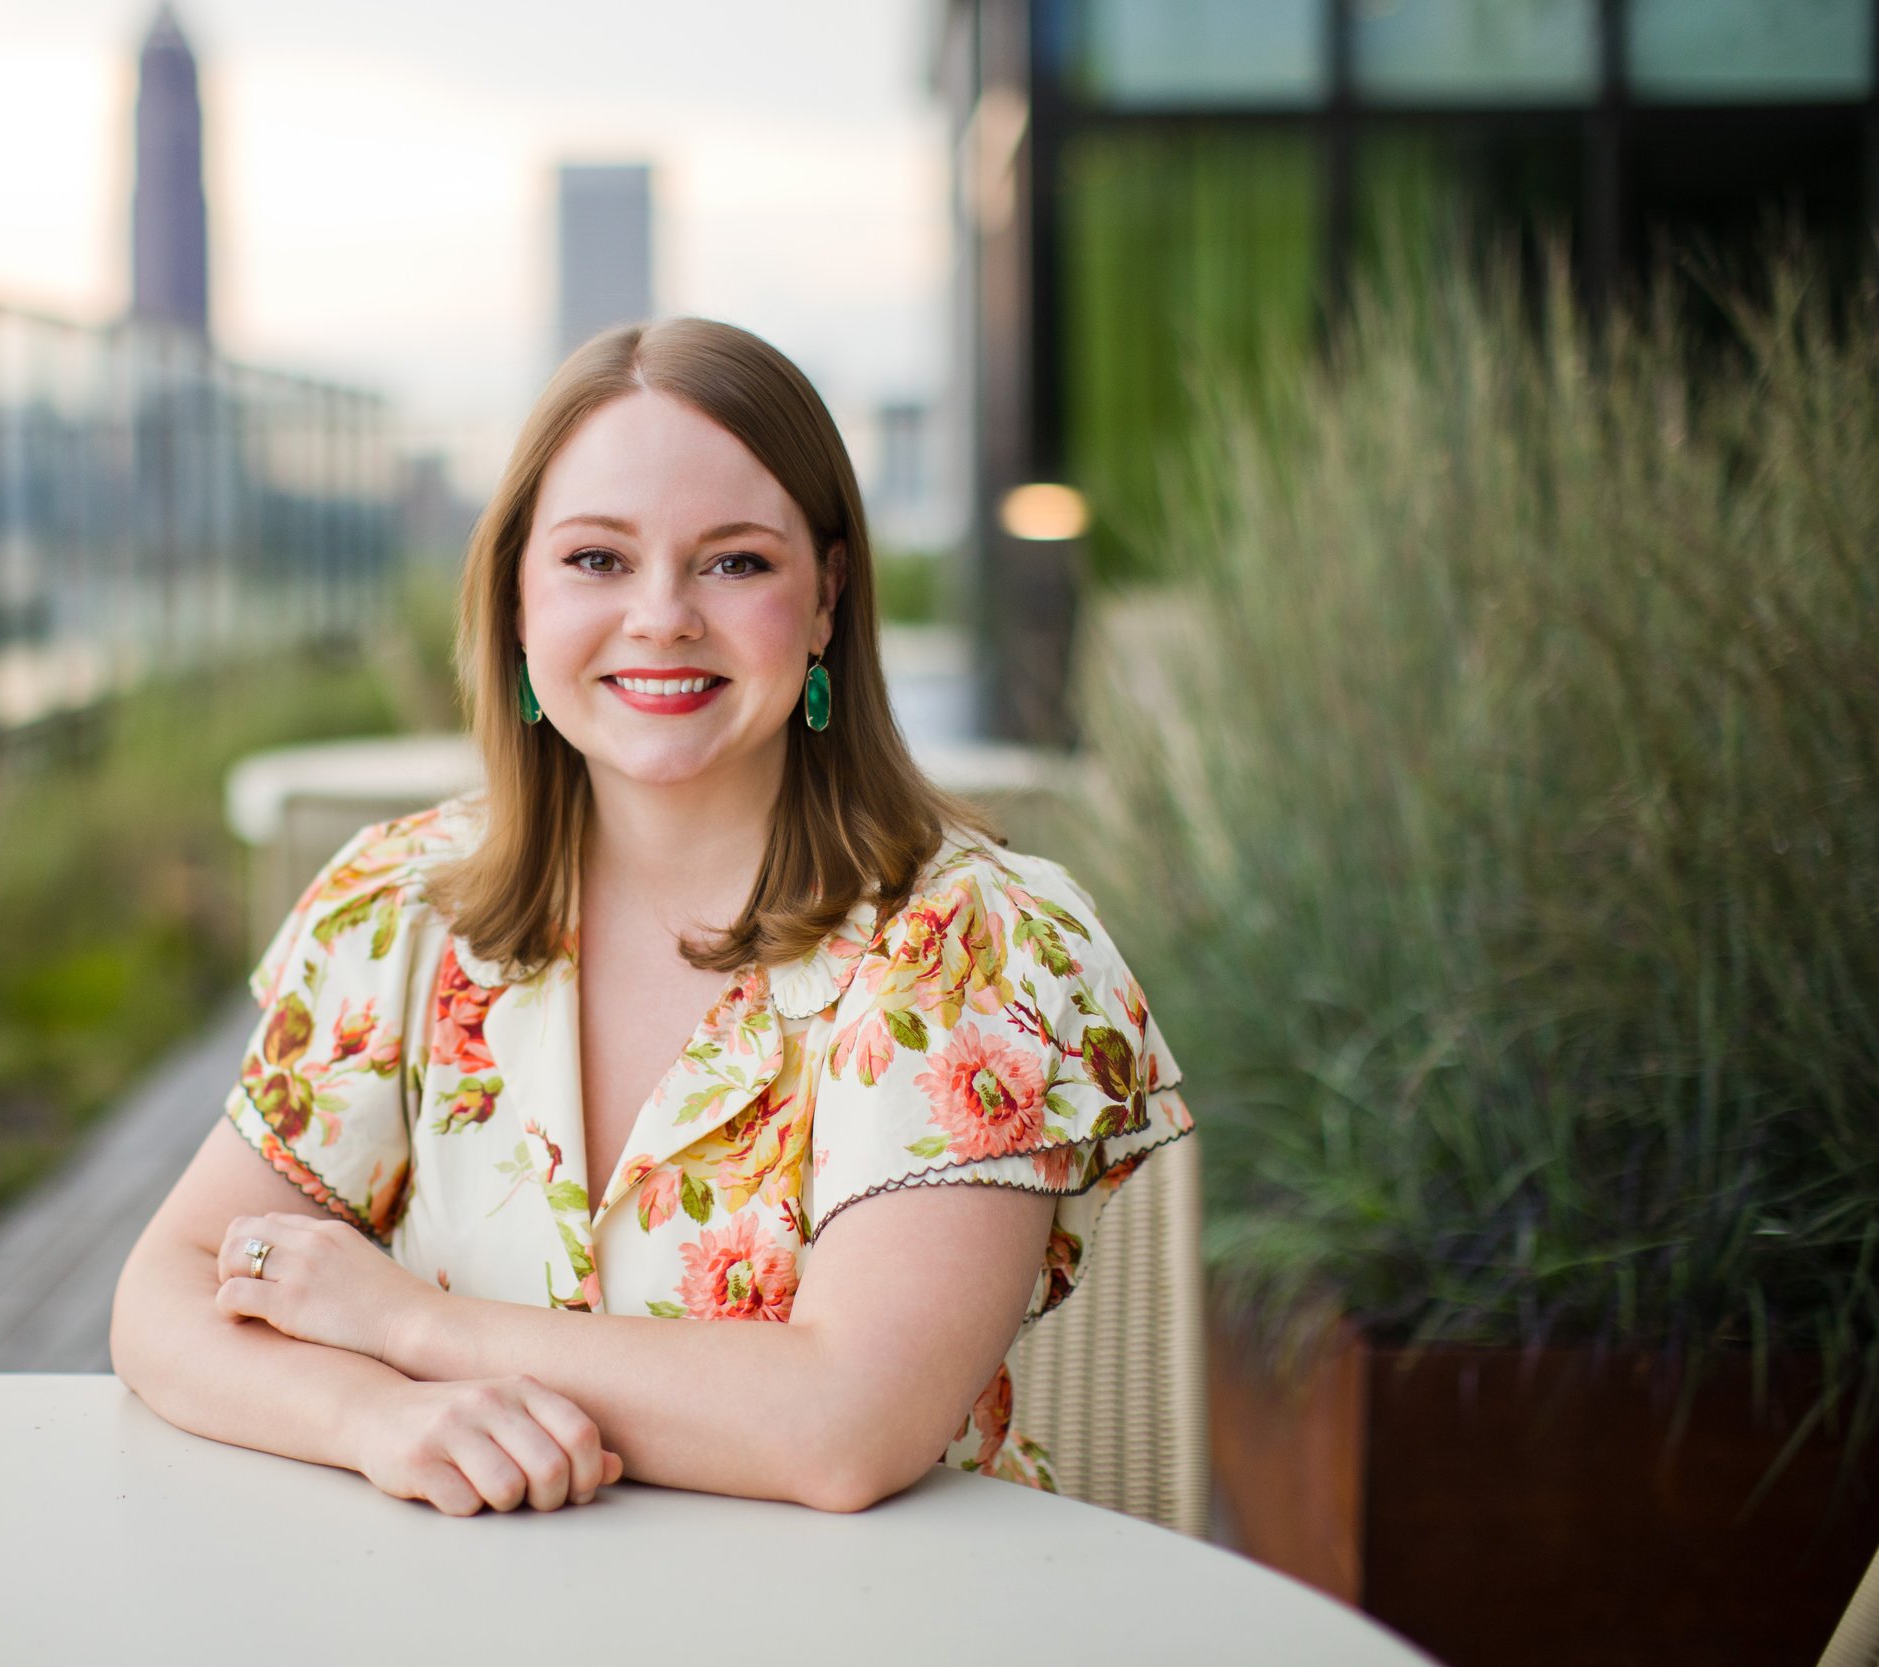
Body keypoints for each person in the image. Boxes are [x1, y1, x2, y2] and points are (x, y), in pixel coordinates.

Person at [110, 316, 1193, 1517]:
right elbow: (166, 1289)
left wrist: (402, 1323)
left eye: (735, 561)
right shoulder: (402, 907)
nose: (663, 615)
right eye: (595, 560)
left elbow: (845, 1423)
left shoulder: (972, 946)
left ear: (827, 597)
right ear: (517, 595)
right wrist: (379, 1415)